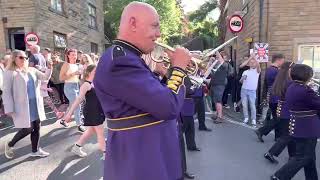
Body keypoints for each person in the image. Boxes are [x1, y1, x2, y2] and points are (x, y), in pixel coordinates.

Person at [93, 2, 191, 180]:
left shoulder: (128, 57)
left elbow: (154, 97)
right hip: (142, 162)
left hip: (148, 157)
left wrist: (171, 72)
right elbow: (168, 106)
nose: (159, 34)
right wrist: (179, 70)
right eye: (154, 26)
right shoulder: (120, 61)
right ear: (132, 23)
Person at [271, 64, 320, 180]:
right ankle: (279, 176)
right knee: (303, 157)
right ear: (306, 76)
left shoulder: (292, 86)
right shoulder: (305, 90)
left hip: (299, 125)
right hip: (307, 128)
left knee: (310, 157)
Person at [3, 50, 52, 159]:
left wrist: (49, 67)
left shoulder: (32, 70)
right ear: (14, 58)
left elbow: (45, 78)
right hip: (22, 106)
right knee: (28, 128)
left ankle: (35, 151)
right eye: (21, 57)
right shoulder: (10, 72)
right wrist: (9, 108)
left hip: (35, 103)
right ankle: (10, 144)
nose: (24, 59)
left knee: (37, 127)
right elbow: (6, 92)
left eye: (25, 57)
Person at [64, 64, 105, 157]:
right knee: (100, 132)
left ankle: (77, 147)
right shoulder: (86, 84)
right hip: (92, 111)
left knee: (90, 131)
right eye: (96, 71)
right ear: (90, 72)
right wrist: (69, 114)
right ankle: (106, 153)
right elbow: (78, 100)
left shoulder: (95, 82)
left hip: (97, 110)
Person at [264, 62, 296, 164]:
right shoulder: (290, 82)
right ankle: (271, 153)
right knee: (288, 135)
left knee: (290, 135)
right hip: (288, 112)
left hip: (282, 110)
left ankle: (292, 156)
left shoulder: (280, 80)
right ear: (289, 70)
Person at [255, 53, 285, 142]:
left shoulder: (269, 70)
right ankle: (261, 131)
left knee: (277, 118)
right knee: (278, 118)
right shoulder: (276, 71)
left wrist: (264, 96)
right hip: (277, 97)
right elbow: (282, 84)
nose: (283, 63)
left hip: (272, 96)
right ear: (278, 60)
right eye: (283, 61)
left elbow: (265, 84)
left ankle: (277, 137)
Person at [59, 49, 86, 133]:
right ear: (68, 55)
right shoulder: (66, 64)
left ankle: (63, 120)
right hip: (69, 87)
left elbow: (78, 78)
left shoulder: (77, 65)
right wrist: (74, 73)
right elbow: (61, 78)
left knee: (72, 106)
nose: (74, 56)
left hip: (76, 86)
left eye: (75, 54)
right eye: (72, 55)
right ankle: (79, 125)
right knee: (77, 105)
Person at [240, 55, 261, 127]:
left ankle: (253, 119)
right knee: (244, 105)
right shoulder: (245, 71)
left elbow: (258, 65)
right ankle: (246, 118)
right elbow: (241, 81)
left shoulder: (257, 71)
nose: (252, 64)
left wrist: (254, 57)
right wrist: (242, 79)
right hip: (244, 90)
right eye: (251, 63)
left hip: (252, 91)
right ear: (249, 64)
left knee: (252, 105)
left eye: (253, 62)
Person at [210, 51, 229, 123]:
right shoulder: (217, 65)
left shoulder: (225, 64)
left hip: (219, 84)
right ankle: (217, 114)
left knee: (218, 100)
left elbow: (222, 61)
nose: (217, 58)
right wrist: (211, 61)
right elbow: (209, 70)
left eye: (219, 57)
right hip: (214, 84)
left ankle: (220, 116)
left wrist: (217, 52)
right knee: (216, 100)